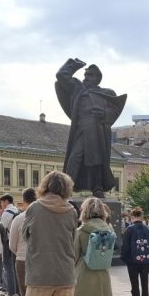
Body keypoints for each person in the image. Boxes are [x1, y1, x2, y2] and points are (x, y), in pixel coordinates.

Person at [53, 58, 126, 197]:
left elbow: (114, 110)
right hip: (80, 130)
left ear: (98, 78)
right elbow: (61, 76)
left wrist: (103, 114)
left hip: (97, 131)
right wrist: (74, 65)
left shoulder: (107, 93)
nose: (86, 77)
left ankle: (97, 187)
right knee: (74, 158)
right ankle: (66, 188)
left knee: (96, 159)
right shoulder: (77, 88)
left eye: (90, 75)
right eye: (85, 75)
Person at [10, 188, 53, 296]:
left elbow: (12, 245)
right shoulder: (46, 218)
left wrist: (21, 253)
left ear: (24, 201)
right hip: (42, 260)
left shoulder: (18, 219)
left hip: (22, 261)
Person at [121, 206, 149, 296]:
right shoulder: (148, 230)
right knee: (145, 285)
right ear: (142, 217)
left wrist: (125, 258)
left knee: (134, 285)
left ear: (132, 217)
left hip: (132, 262)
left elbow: (125, 247)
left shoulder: (129, 229)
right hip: (145, 261)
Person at [0, 193, 21, 296]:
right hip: (17, 241)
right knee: (14, 268)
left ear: (6, 201)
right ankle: (17, 293)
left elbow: (2, 228)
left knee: (8, 268)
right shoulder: (17, 211)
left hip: (8, 242)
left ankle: (11, 294)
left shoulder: (7, 212)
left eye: (2, 202)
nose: (1, 204)